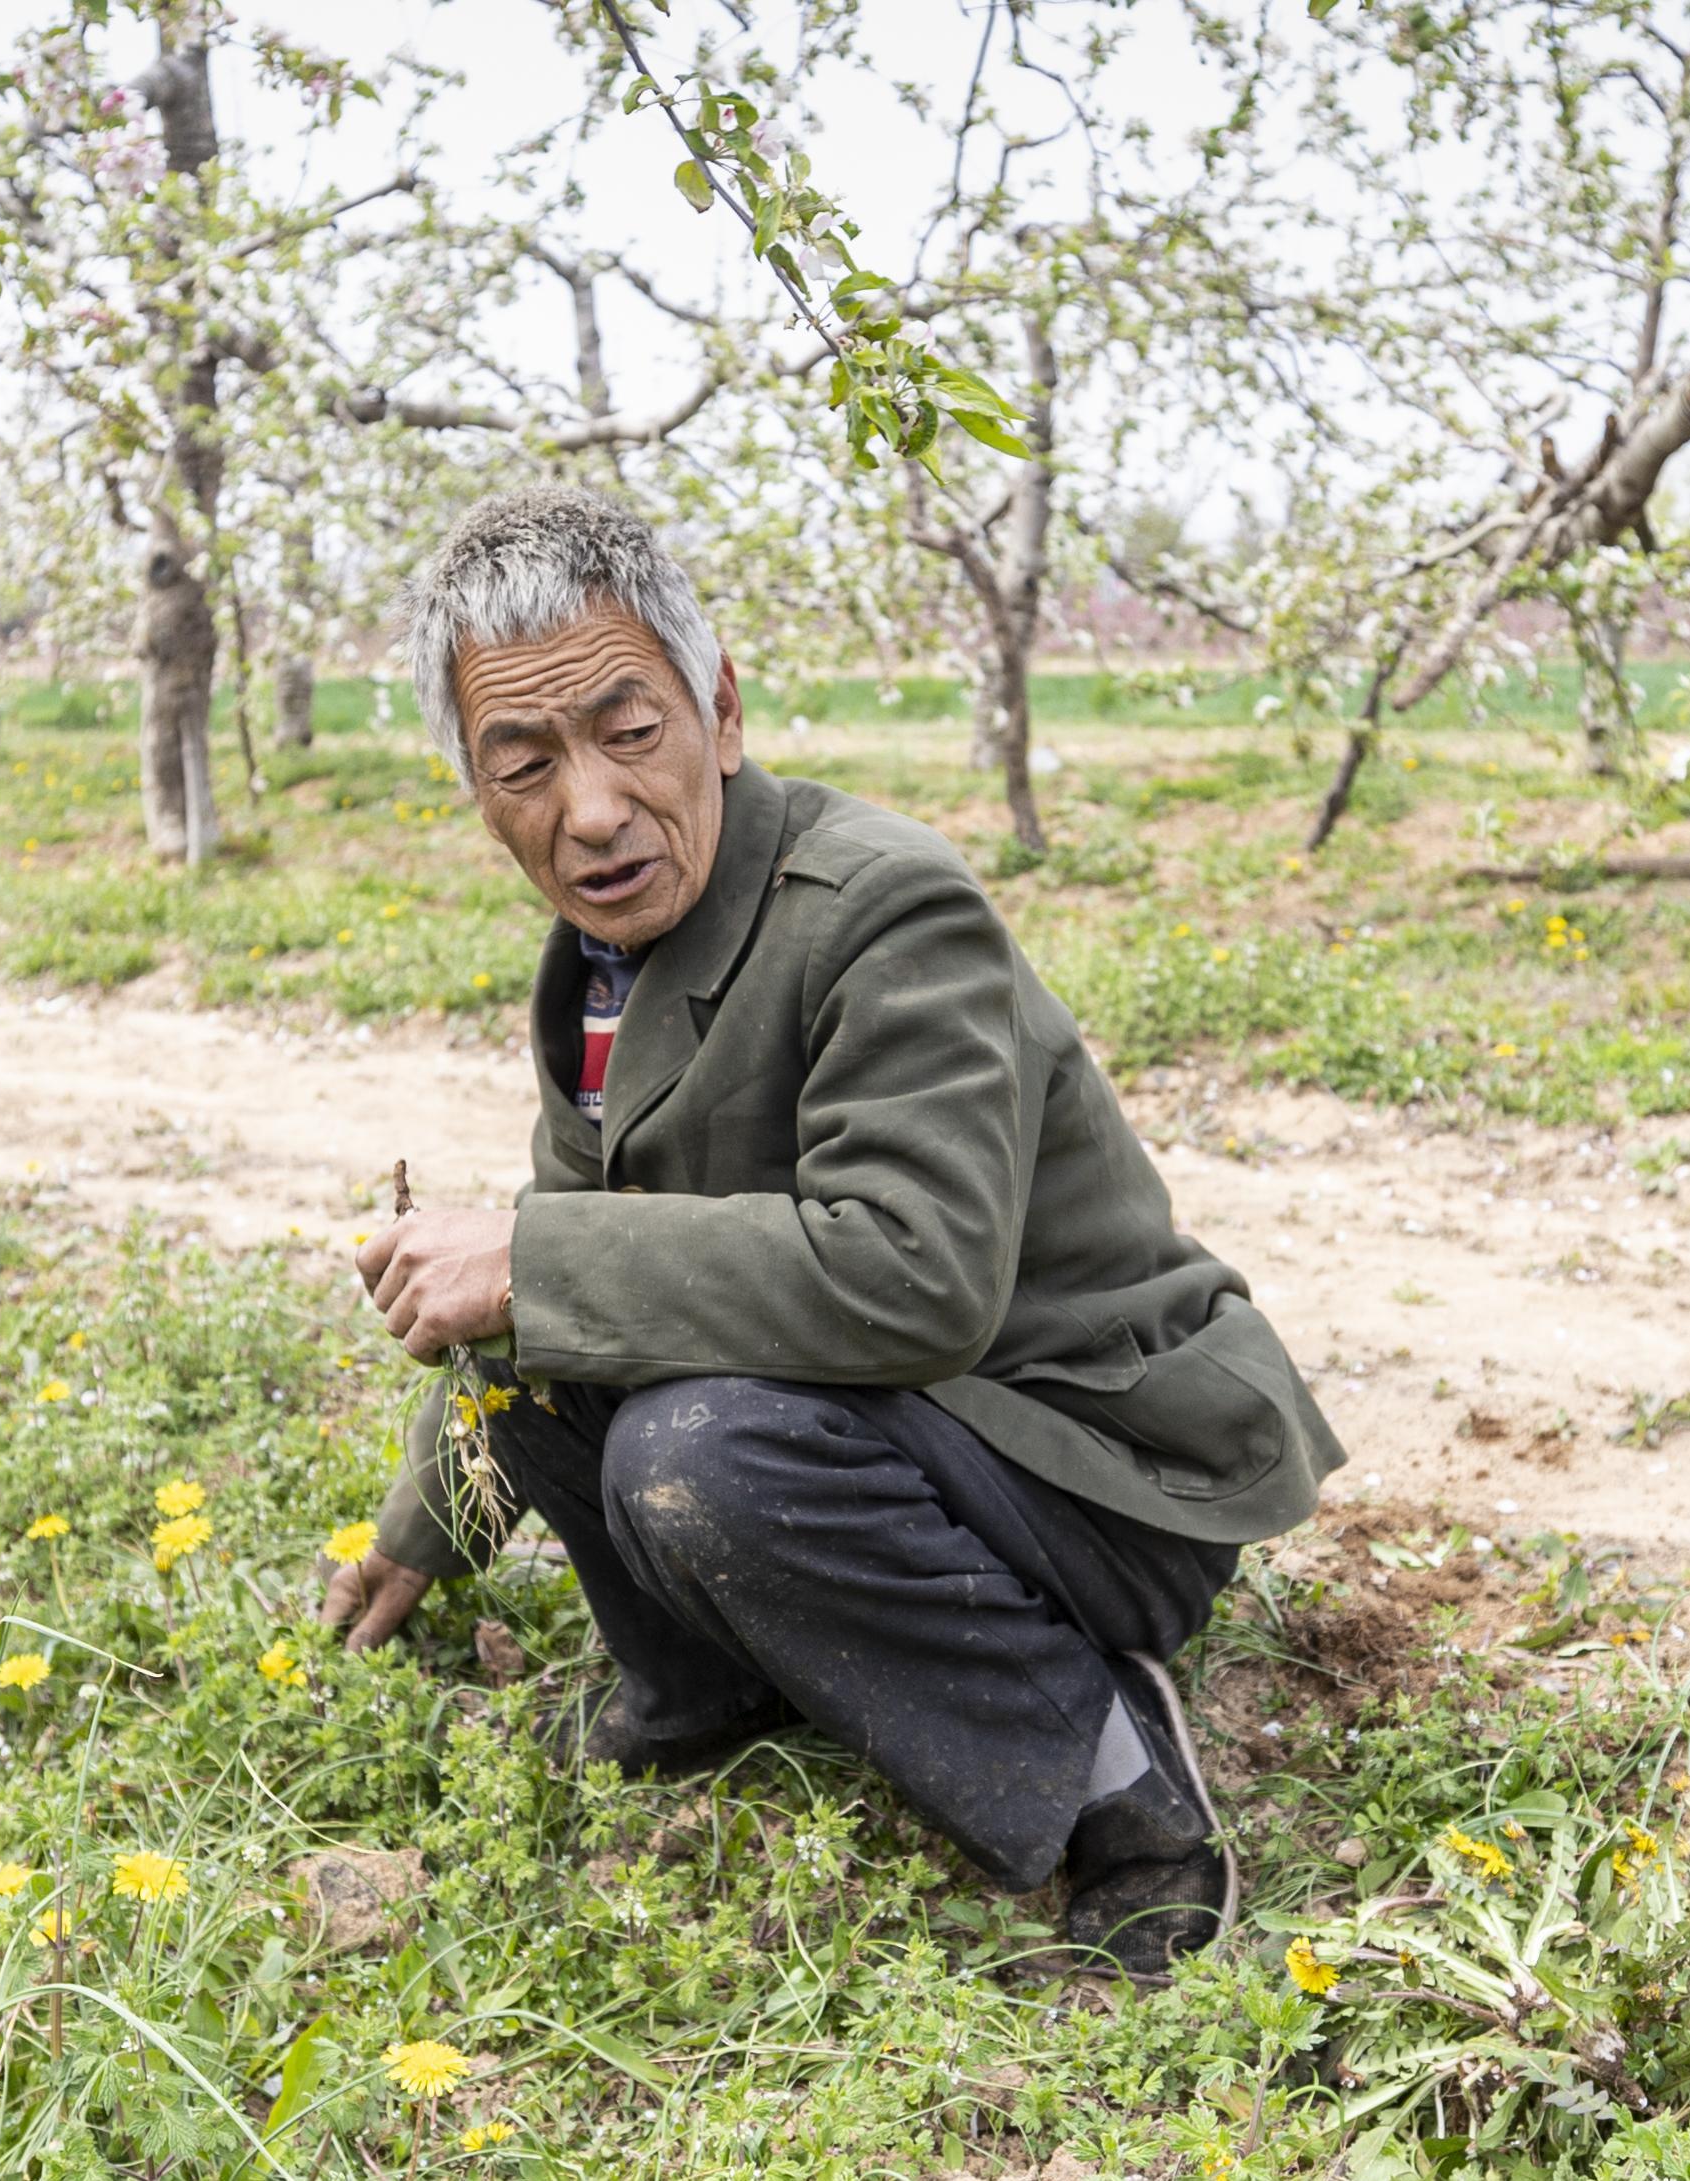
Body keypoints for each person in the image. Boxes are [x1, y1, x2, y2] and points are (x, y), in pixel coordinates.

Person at [321, 485, 1344, 1971]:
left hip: (1086, 1465)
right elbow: (580, 1254)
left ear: (720, 711)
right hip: (918, 1439)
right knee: (561, 1335)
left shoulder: (880, 907)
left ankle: (1117, 1778)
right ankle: (699, 1697)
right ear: (476, 789)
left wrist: (529, 1262)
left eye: (628, 731)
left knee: (691, 1439)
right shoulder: (602, 957)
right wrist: (420, 1527)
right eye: (524, 761)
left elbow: (910, 1276)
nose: (590, 808)